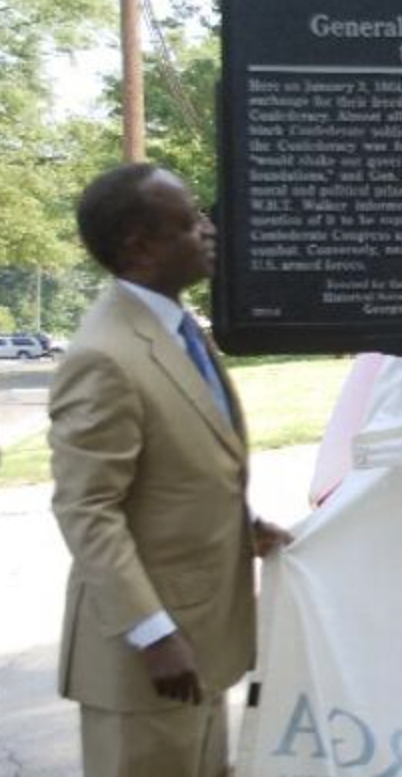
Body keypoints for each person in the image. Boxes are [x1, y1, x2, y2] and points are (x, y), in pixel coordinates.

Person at [49, 163, 290, 777]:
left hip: (197, 644)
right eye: (189, 221)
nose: (208, 230)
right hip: (145, 665)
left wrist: (244, 523)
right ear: (141, 244)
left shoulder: (175, 329)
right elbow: (87, 509)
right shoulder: (106, 357)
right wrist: (152, 634)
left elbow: (178, 466)